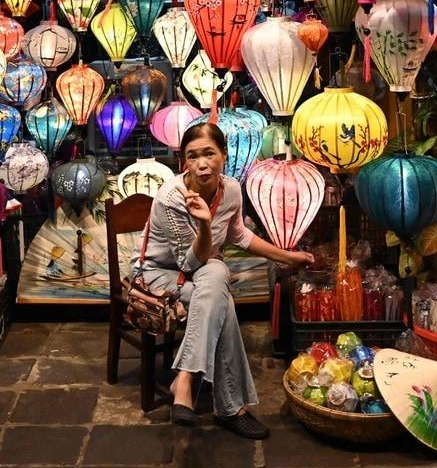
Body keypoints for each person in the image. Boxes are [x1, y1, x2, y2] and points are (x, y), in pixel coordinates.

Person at [133, 121, 315, 438]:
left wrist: (287, 256)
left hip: (201, 273)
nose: (202, 164)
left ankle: (186, 378)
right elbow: (188, 262)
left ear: (224, 155)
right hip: (160, 275)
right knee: (220, 292)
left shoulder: (230, 189)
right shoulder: (171, 198)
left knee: (216, 278)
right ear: (183, 162)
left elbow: (237, 234)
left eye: (209, 153)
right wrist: (204, 225)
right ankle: (230, 408)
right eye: (192, 156)